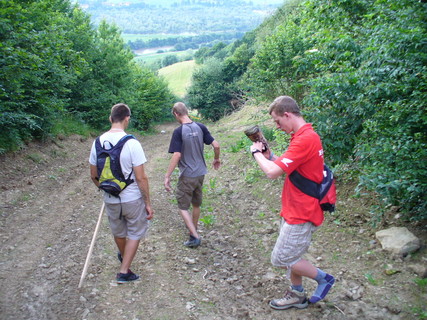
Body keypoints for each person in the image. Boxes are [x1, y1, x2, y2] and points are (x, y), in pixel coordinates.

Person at [250, 96, 335, 310]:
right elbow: (294, 167)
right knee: (293, 255)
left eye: (278, 122)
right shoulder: (302, 136)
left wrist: (256, 154)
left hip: (302, 212)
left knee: (282, 258)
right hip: (294, 207)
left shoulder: (305, 138)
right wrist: (271, 156)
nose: (277, 127)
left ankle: (324, 279)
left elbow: (271, 173)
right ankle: (297, 294)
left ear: (287, 114)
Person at [89, 103, 153, 284]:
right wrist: (147, 202)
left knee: (118, 231)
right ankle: (124, 271)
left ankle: (124, 258)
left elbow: (93, 175)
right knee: (134, 231)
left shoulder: (97, 143)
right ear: (127, 119)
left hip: (110, 198)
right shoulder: (132, 143)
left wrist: (107, 190)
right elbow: (141, 178)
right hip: (132, 197)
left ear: (110, 119)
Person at [164, 102, 220, 248]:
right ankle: (193, 232)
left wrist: (167, 176)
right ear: (186, 111)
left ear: (176, 114)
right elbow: (216, 145)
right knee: (196, 204)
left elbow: (177, 154)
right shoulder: (201, 127)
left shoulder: (178, 132)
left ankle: (194, 235)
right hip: (201, 173)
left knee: (183, 206)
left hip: (187, 174)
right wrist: (216, 158)